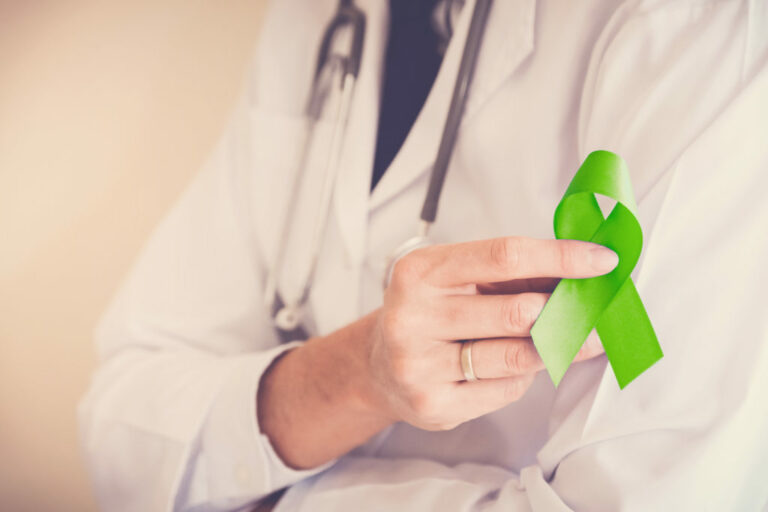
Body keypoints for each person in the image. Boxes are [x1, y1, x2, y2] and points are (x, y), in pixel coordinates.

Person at [79, 0, 768, 510]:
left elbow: (652, 495)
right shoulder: (315, 20)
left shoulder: (699, 28)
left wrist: (262, 485)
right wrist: (355, 374)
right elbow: (119, 436)